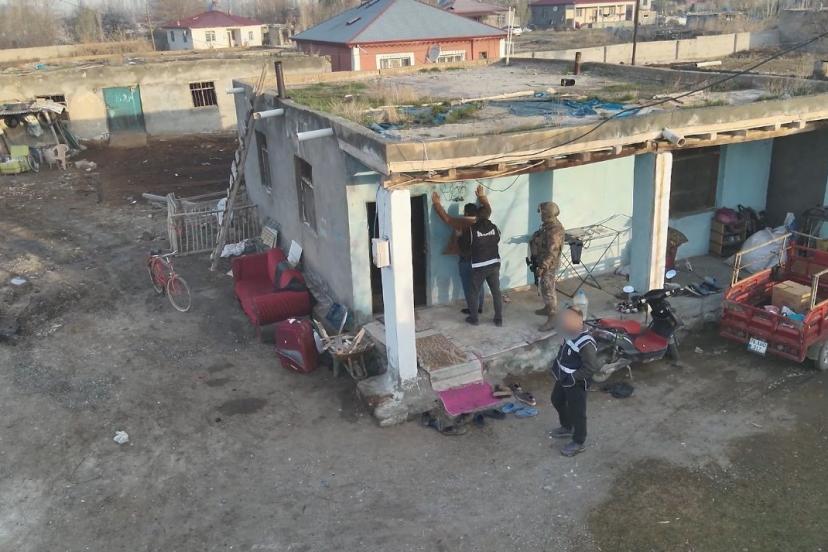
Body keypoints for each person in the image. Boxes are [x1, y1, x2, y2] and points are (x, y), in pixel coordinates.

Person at [549, 306, 599, 457]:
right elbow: (563, 350)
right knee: (556, 400)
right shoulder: (568, 332)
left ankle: (578, 441)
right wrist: (556, 367)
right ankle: (567, 426)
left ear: (579, 321)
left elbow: (591, 367)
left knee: (577, 412)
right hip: (563, 377)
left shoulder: (586, 343)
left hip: (576, 383)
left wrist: (573, 378)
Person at [431, 186, 490, 315]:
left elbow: (446, 218)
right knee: (479, 285)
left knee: (468, 286)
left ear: (466, 213)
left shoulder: (461, 222)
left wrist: (436, 204)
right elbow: (488, 209)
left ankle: (472, 309)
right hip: (481, 259)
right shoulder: (483, 220)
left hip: (466, 260)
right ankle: (479, 307)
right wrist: (482, 196)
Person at [459, 203, 503, 327]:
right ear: (488, 216)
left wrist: (459, 236)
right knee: (496, 293)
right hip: (494, 264)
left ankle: (474, 318)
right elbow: (497, 239)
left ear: (477, 216)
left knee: (473, 292)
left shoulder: (471, 229)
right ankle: (498, 319)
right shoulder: (494, 227)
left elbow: (463, 245)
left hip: (479, 266)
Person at [530, 202, 565, 332]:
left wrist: (543, 267)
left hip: (549, 264)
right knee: (545, 288)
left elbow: (552, 252)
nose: (540, 215)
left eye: (542, 213)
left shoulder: (555, 230)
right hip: (544, 261)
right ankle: (547, 309)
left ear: (547, 214)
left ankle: (552, 318)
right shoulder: (548, 226)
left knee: (549, 290)